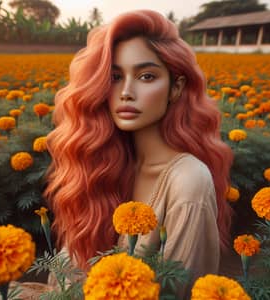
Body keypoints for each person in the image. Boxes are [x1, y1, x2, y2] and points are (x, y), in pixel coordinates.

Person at [45, 9, 233, 298]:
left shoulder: (189, 181)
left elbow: (179, 291)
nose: (126, 92)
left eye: (146, 76)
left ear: (176, 87)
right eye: (115, 76)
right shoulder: (101, 165)